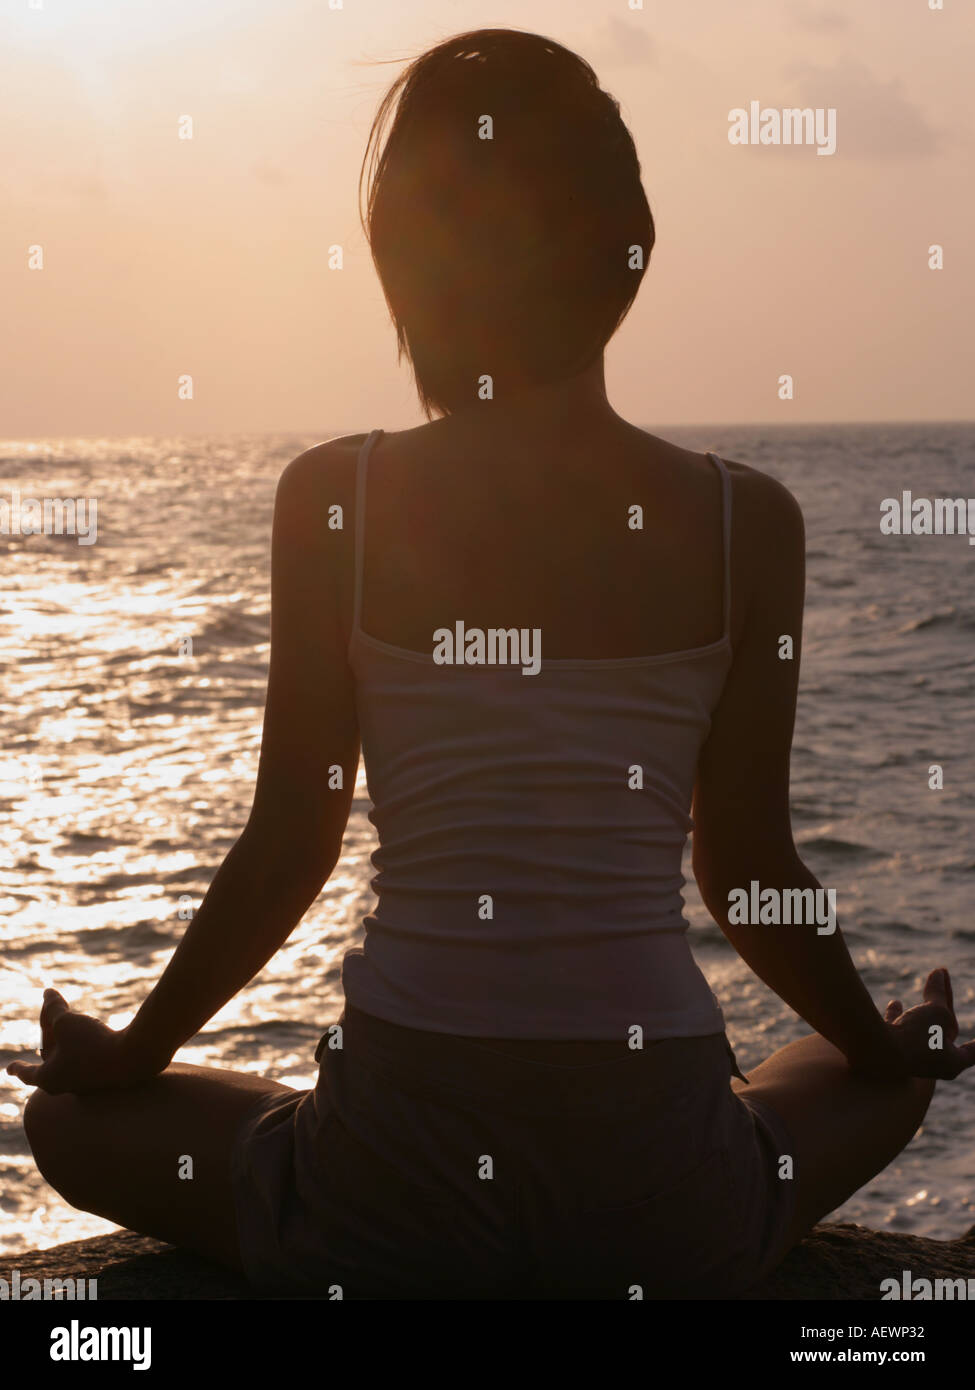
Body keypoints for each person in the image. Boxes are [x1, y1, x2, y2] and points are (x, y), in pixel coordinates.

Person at [10, 28, 974, 1300]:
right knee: (868, 1084)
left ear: (409, 268)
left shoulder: (335, 500)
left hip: (392, 1188)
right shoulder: (750, 523)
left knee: (72, 1127)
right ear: (627, 256)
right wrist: (878, 1041)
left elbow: (289, 846)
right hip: (659, 1199)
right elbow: (747, 869)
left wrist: (137, 1046)